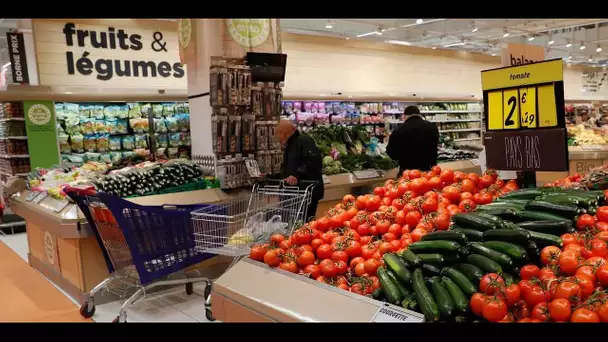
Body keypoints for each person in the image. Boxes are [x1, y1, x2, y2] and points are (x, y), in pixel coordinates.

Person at [274, 120, 324, 221]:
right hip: (295, 193)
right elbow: (288, 169)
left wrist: (296, 175)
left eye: (277, 133)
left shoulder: (304, 142)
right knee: (293, 223)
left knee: (304, 222)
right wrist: (269, 177)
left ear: (283, 133)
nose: (276, 137)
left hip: (306, 192)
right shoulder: (291, 145)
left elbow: (313, 161)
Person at [386, 105, 439, 176]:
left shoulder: (399, 129)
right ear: (419, 114)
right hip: (428, 171)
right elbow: (434, 148)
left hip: (407, 171)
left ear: (405, 116)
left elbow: (392, 153)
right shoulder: (432, 127)